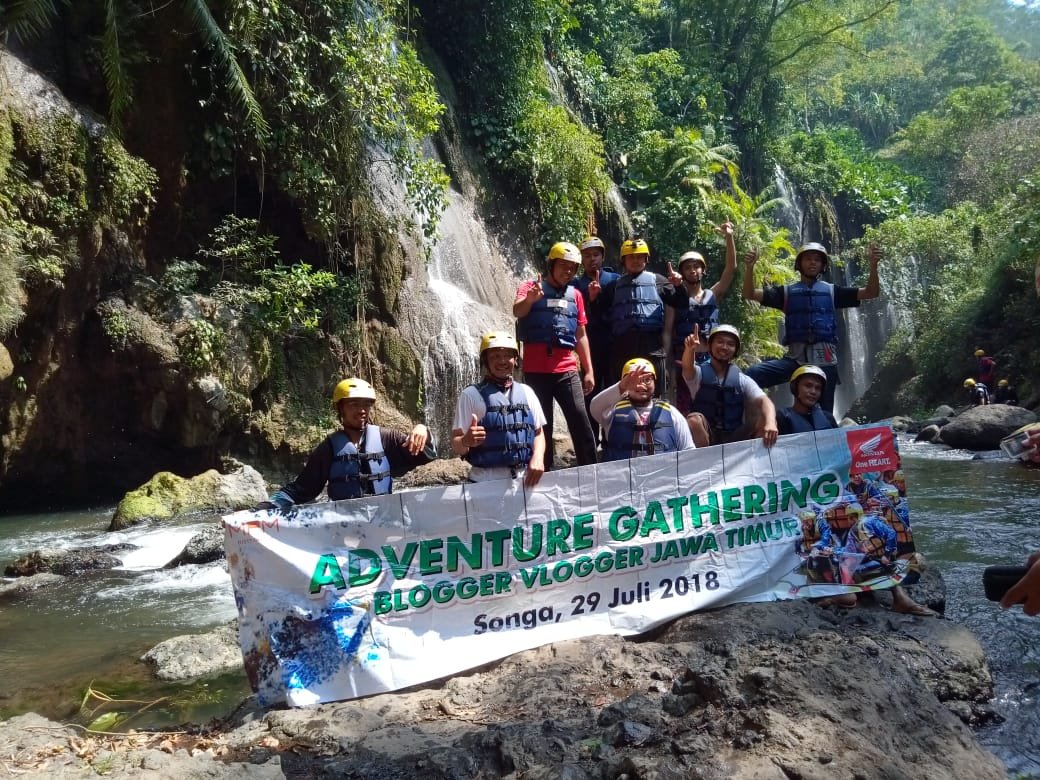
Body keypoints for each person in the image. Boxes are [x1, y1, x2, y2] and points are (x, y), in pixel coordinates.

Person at [742, 242, 882, 415]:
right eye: (808, 259)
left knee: (824, 415)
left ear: (823, 265)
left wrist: (873, 265)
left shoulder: (833, 292)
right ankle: (759, 418)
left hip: (825, 361)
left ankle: (823, 426)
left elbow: (871, 292)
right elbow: (749, 294)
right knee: (752, 374)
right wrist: (750, 268)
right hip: (795, 359)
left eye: (817, 259)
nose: (813, 262)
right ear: (799, 264)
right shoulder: (785, 293)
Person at [263, 378, 436, 511]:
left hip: (384, 520)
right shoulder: (329, 448)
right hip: (345, 525)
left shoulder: (387, 437)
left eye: (367, 405)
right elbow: (301, 489)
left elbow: (423, 456)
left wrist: (423, 429)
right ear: (340, 408)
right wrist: (265, 507)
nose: (362, 410)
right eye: (354, 404)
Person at [513, 241, 598, 469]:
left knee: (580, 418)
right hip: (535, 370)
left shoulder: (576, 295)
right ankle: (544, 471)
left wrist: (588, 370)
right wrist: (530, 299)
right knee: (543, 425)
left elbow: (581, 335)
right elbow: (517, 311)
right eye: (563, 266)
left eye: (572, 268)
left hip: (566, 368)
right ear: (551, 265)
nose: (567, 271)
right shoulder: (530, 287)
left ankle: (591, 469)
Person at [451, 331, 546, 487]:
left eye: (508, 355)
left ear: (515, 359)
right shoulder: (470, 395)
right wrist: (465, 441)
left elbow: (538, 433)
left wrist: (538, 457)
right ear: (486, 361)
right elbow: (456, 443)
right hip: (485, 482)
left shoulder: (527, 392)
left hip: (524, 479)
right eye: (495, 356)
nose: (502, 361)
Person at [593, 237, 689, 390]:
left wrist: (679, 286)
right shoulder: (613, 286)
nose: (635, 260)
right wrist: (593, 298)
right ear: (623, 261)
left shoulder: (658, 281)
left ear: (646, 259)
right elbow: (598, 315)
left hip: (652, 346)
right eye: (631, 257)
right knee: (622, 392)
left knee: (654, 391)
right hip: (622, 346)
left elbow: (682, 304)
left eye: (639, 257)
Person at [663, 221, 738, 414]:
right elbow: (668, 331)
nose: (692, 270)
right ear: (682, 272)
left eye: (696, 266)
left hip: (711, 359)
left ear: (703, 270)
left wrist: (729, 237)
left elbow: (731, 268)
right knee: (685, 406)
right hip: (683, 359)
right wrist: (667, 363)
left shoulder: (713, 294)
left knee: (712, 404)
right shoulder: (675, 300)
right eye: (688, 267)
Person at [682, 324, 778, 448]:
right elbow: (687, 367)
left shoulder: (742, 380)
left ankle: (756, 458)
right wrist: (690, 349)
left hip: (733, 438)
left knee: (766, 419)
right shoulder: (698, 374)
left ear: (735, 351)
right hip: (705, 438)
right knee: (694, 420)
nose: (724, 347)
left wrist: (770, 423)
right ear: (710, 346)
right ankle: (703, 458)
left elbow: (765, 401)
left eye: (730, 344)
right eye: (720, 342)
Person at [589, 358, 695, 461]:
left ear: (655, 383)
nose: (641, 385)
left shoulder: (672, 413)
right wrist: (621, 387)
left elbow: (688, 450)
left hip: (662, 472)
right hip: (624, 472)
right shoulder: (611, 412)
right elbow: (594, 407)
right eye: (633, 381)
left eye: (647, 380)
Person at [572, 235, 620, 445]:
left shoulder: (615, 280)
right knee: (589, 392)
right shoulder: (575, 284)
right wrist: (590, 299)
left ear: (602, 256)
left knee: (613, 391)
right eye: (587, 256)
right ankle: (592, 441)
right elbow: (577, 317)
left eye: (596, 255)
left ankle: (612, 439)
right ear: (582, 260)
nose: (592, 259)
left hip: (613, 345)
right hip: (588, 347)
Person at [777, 365, 839, 435]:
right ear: (795, 388)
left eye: (818, 388)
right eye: (808, 386)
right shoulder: (781, 418)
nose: (813, 392)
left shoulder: (829, 418)